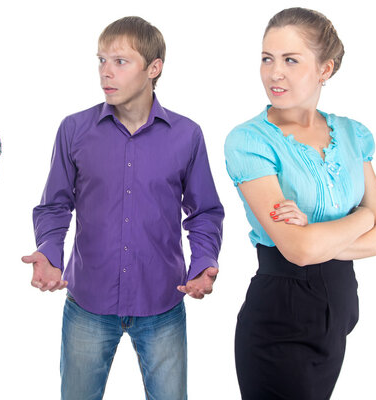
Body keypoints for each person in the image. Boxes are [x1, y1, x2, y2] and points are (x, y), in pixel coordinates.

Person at [22, 16, 224, 399]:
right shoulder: (74, 130)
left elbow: (205, 212)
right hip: (88, 302)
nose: (105, 73)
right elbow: (54, 205)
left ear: (154, 68)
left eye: (119, 61)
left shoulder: (187, 135)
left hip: (162, 301)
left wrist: (203, 262)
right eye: (101, 60)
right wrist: (50, 252)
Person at [224, 7, 376, 400]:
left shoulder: (352, 135)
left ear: (325, 69)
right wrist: (363, 216)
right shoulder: (249, 141)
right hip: (280, 322)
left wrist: (318, 238)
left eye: (290, 60)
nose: (273, 73)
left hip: (334, 321)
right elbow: (298, 250)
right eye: (267, 59)